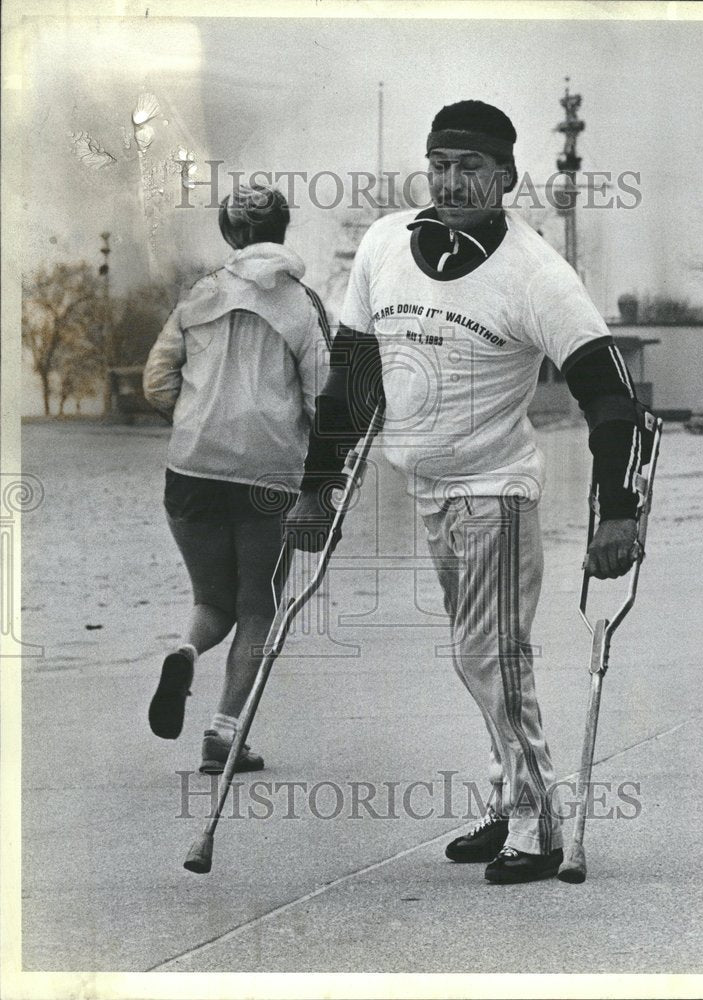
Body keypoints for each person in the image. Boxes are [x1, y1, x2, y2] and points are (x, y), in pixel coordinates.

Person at [286, 100, 655, 885]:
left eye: (471, 168)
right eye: (440, 166)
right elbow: (352, 381)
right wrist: (316, 489)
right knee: (486, 662)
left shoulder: (537, 274)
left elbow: (613, 396)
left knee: (487, 654)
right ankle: (509, 797)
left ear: (506, 177)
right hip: (429, 489)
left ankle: (537, 818)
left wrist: (618, 509)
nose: (452, 182)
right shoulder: (384, 245)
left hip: (499, 492)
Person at [143, 183, 330, 774]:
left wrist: (197, 420)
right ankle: (223, 733)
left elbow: (155, 383)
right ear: (283, 230)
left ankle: (185, 649)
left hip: (192, 469)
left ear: (229, 235)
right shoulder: (302, 304)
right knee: (258, 605)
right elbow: (326, 397)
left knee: (210, 598)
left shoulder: (197, 297)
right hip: (267, 475)